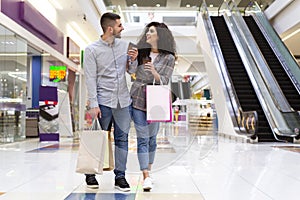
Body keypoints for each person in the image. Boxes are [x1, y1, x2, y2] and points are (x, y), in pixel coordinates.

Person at [83, 12, 138, 191]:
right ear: (110, 28)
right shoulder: (92, 50)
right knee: (98, 138)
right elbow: (90, 78)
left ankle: (120, 177)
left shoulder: (126, 46)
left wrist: (134, 60)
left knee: (122, 139)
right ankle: (90, 172)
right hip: (103, 101)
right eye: (120, 25)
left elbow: (131, 72)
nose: (122, 28)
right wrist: (93, 103)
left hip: (123, 101)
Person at [128, 22, 176, 191]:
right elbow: (131, 71)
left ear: (160, 35)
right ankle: (145, 175)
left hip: (156, 99)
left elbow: (165, 80)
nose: (147, 34)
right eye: (147, 31)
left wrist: (155, 72)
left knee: (152, 139)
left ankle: (149, 168)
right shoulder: (141, 52)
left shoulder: (169, 57)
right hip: (138, 97)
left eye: (151, 31)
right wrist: (132, 60)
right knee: (142, 138)